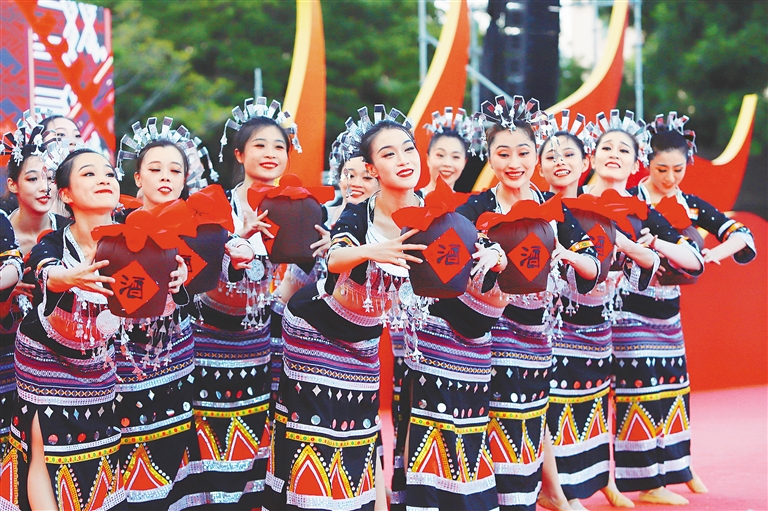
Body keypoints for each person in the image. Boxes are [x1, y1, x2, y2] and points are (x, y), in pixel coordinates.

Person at [265, 106, 427, 511]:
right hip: (315, 330)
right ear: (372, 168)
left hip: (364, 338)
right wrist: (373, 250)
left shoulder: (430, 211)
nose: (402, 159)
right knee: (316, 434)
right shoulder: (360, 211)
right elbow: (336, 258)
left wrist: (493, 255)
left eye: (408, 149)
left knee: (361, 429)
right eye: (388, 154)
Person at [470, 96, 600, 511]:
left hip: (537, 330)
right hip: (488, 330)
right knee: (495, 416)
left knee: (530, 414)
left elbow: (593, 264)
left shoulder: (552, 208)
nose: (514, 163)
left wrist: (566, 254)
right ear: (488, 156)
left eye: (524, 152)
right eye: (503, 153)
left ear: (536, 155)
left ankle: (534, 494)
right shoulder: (477, 207)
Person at [629, 112, 756, 503]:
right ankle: (646, 480)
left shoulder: (690, 204)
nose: (670, 178)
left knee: (674, 390)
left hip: (668, 310)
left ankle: (678, 467)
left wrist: (713, 254)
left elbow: (741, 234)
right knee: (642, 393)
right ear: (646, 163)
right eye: (661, 169)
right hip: (628, 309)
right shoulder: (630, 202)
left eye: (678, 170)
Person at [583, 110, 705, 506]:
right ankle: (581, 484)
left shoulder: (641, 211)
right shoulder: (573, 201)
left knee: (653, 391)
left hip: (635, 314)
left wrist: (653, 246)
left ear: (635, 159)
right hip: (587, 319)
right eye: (607, 147)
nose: (614, 155)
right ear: (591, 154)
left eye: (624, 149)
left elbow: (694, 261)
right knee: (589, 401)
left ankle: (653, 478)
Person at [537, 119, 658, 510]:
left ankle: (600, 480)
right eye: (551, 156)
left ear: (584, 162)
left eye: (568, 155)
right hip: (550, 325)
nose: (560, 162)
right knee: (552, 406)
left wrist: (624, 246)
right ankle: (558, 490)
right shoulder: (534, 210)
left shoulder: (599, 212)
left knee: (591, 406)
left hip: (596, 323)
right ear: (540, 167)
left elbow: (637, 264)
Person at [186, 97, 300, 508]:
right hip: (210, 342)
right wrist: (238, 235)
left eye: (279, 146)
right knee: (210, 445)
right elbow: (197, 277)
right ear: (238, 154)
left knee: (258, 447)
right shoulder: (211, 204)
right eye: (259, 145)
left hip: (266, 346)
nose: (270, 154)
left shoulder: (298, 207)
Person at [4, 144, 127, 510]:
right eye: (88, 174)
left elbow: (167, 290)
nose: (103, 179)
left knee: (100, 446)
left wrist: (176, 279)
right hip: (44, 355)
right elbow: (47, 272)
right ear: (66, 194)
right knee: (42, 444)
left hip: (97, 358)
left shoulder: (136, 240)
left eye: (108, 173)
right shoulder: (54, 241)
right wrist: (67, 277)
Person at [112, 119, 200, 510]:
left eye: (175, 170)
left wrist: (184, 284)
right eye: (155, 168)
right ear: (137, 177)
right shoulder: (112, 226)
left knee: (170, 457)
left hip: (175, 358)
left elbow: (201, 297)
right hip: (120, 362)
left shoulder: (199, 230)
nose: (166, 177)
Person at [1, 116, 70, 459]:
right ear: (12, 185)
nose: (44, 187)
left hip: (55, 359)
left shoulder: (68, 230)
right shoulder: (2, 229)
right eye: (32, 178)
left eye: (49, 178)